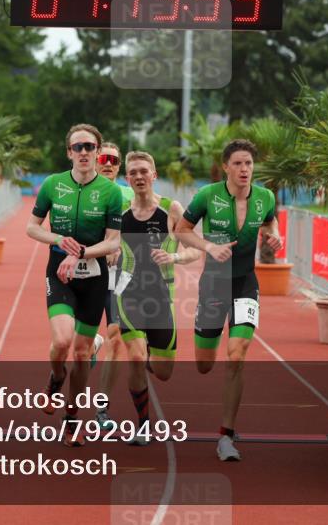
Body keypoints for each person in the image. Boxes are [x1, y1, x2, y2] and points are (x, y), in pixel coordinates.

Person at [174, 138, 282, 461]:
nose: (244, 169)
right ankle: (206, 345)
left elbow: (270, 220)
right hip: (213, 285)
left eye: (248, 163)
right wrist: (208, 247)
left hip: (246, 282)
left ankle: (226, 436)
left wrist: (274, 234)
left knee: (237, 353)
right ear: (226, 167)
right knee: (205, 364)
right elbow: (182, 230)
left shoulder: (264, 197)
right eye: (237, 163)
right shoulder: (208, 196)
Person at [26, 124, 123, 445]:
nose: (84, 153)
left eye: (90, 147)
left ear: (97, 152)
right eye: (78, 147)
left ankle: (71, 418)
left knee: (82, 354)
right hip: (59, 273)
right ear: (69, 152)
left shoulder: (110, 193)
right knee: (62, 341)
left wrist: (82, 251)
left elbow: (112, 243)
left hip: (94, 278)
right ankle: (56, 377)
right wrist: (60, 240)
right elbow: (32, 227)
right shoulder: (53, 185)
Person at [114, 151, 200, 444]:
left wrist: (174, 254)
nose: (139, 176)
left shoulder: (171, 209)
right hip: (128, 294)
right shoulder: (120, 211)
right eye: (133, 172)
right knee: (136, 358)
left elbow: (194, 250)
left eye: (144, 171)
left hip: (161, 297)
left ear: (154, 175)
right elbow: (107, 244)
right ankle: (143, 426)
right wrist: (111, 253)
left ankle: (153, 357)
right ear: (128, 178)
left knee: (163, 372)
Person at [94, 141, 132, 430]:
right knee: (72, 340)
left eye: (114, 160)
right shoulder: (83, 192)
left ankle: (102, 409)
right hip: (85, 273)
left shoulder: (130, 194)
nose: (108, 163)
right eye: (103, 158)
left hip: (118, 275)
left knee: (116, 338)